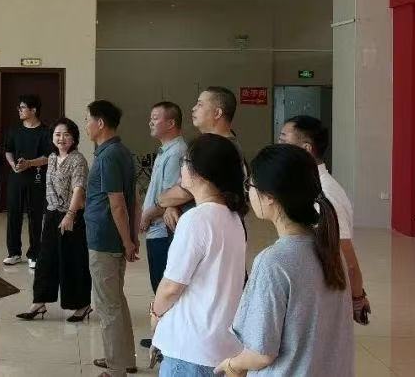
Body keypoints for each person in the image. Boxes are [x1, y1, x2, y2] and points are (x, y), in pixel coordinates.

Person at [215, 144, 354, 376]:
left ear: (270, 197)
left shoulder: (273, 262)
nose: (248, 192)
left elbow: (261, 352)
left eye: (250, 185)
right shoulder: (330, 249)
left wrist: (231, 365)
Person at [149, 134, 247, 376]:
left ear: (200, 172)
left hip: (189, 349)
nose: (181, 169)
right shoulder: (233, 218)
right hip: (221, 346)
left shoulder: (196, 219)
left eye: (184, 162)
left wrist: (155, 314)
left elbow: (171, 286)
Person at [278, 115, 370, 324]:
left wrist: (357, 298)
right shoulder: (309, 186)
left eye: (284, 140)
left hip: (325, 297)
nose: (279, 145)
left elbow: (346, 256)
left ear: (306, 148)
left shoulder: (324, 194)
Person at [83, 100, 140, 377]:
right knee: (116, 300)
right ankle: (124, 358)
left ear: (100, 123)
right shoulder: (121, 151)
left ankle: (116, 368)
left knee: (108, 305)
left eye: (88, 120)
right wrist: (130, 237)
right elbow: (133, 201)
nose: (86, 125)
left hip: (105, 239)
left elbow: (118, 203)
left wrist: (128, 241)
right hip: (113, 237)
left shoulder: (108, 156)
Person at [16, 118, 92, 322]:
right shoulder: (51, 157)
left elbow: (79, 189)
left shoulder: (78, 160)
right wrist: (29, 163)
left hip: (71, 215)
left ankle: (82, 305)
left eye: (66, 134)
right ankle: (39, 302)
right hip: (51, 214)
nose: (61, 138)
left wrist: (70, 215)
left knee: (72, 261)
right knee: (45, 259)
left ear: (74, 138)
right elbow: (45, 169)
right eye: (57, 134)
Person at [137, 102, 189, 351]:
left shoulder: (177, 152)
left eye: (155, 118)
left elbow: (171, 196)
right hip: (155, 229)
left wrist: (147, 215)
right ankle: (163, 336)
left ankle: (168, 344)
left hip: (163, 231)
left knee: (164, 287)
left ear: (171, 123)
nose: (150, 122)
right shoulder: (166, 150)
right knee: (158, 285)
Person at [158, 86, 243, 230]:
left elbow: (185, 191)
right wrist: (172, 204)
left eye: (200, 104)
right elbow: (183, 188)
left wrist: (163, 199)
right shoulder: (207, 145)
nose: (193, 108)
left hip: (210, 228)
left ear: (217, 113)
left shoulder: (220, 150)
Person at [4, 94, 54, 268]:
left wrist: (29, 163)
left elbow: (48, 157)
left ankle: (34, 254)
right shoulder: (14, 130)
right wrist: (13, 165)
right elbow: (8, 151)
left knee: (35, 216)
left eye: (23, 107)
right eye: (19, 107)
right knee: (13, 215)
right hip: (16, 178)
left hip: (36, 178)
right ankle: (14, 253)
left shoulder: (45, 132)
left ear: (33, 110)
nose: (19, 110)